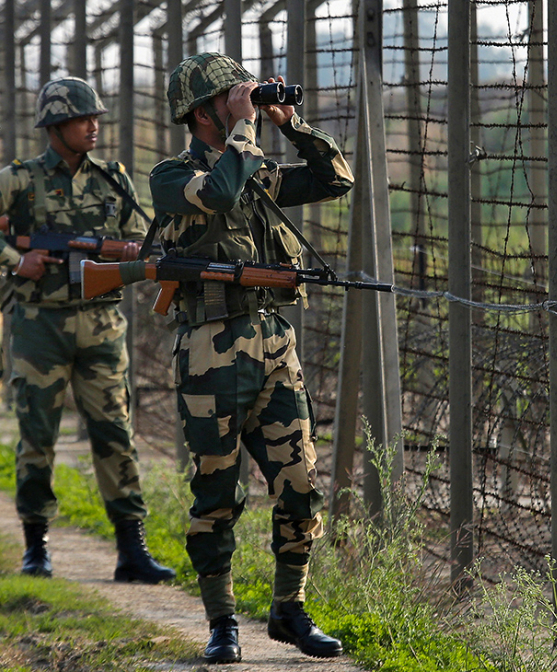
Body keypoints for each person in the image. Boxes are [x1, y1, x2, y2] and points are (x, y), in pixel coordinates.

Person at [151, 52, 353, 663]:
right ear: (200, 111)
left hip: (271, 342)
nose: (244, 105)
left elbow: (334, 180)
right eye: (231, 98)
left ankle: (289, 609)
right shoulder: (170, 175)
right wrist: (244, 129)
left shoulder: (256, 166)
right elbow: (215, 193)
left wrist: (290, 125)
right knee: (218, 494)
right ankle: (221, 622)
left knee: (300, 484)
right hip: (211, 350)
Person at [0, 77, 174, 583]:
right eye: (82, 119)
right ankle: (36, 546)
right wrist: (13, 260)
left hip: (101, 324)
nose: (94, 126)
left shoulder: (114, 178)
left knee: (115, 434)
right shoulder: (22, 179)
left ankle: (131, 550)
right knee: (37, 437)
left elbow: (137, 238)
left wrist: (127, 255)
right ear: (55, 127)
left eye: (96, 118)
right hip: (38, 326)